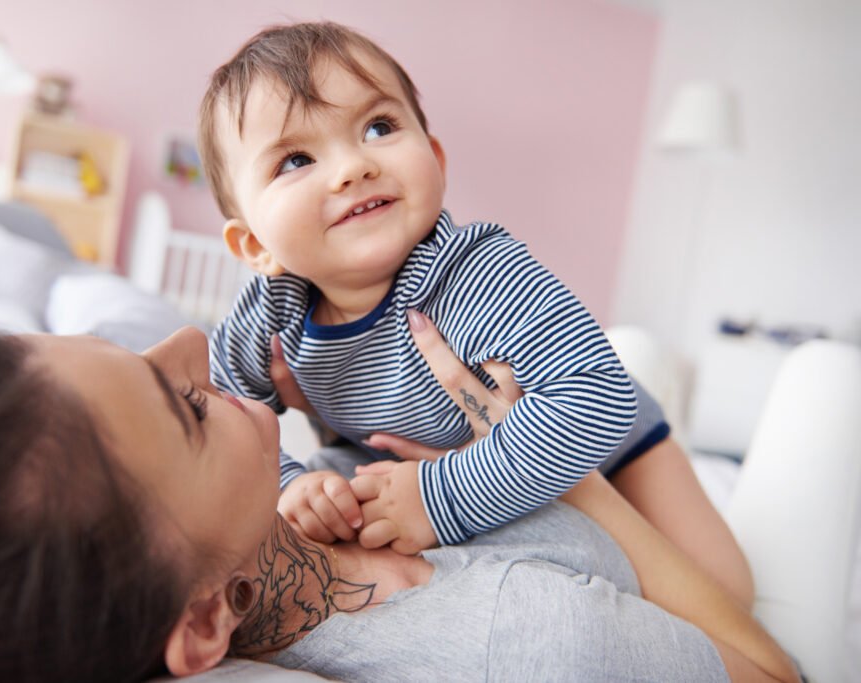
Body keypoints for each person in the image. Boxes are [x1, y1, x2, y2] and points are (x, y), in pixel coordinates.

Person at [0, 326, 799, 682]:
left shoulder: (287, 504)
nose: (191, 339)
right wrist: (569, 466)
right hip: (700, 563)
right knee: (818, 378)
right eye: (183, 405)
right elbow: (773, 669)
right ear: (205, 618)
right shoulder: (529, 644)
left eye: (123, 347)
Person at [198, 21, 752, 606]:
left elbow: (597, 400)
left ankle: (644, 361)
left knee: (728, 596)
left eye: (378, 126)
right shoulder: (269, 317)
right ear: (254, 245)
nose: (351, 167)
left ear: (435, 158)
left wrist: (440, 500)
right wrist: (290, 484)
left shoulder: (476, 273)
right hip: (429, 448)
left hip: (615, 451)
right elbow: (218, 416)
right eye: (296, 159)